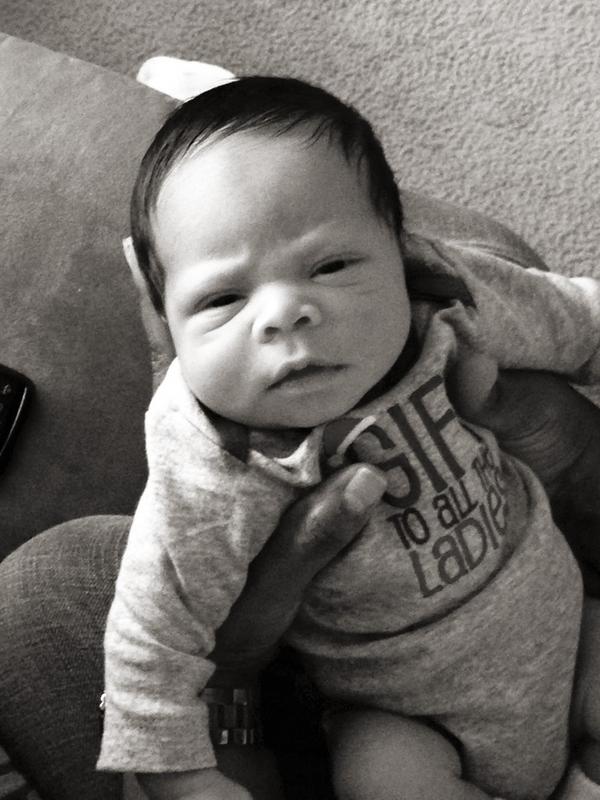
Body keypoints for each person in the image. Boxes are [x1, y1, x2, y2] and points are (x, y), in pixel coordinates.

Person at [94, 73, 600, 800]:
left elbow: (567, 316)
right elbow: (152, 629)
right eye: (222, 298)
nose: (284, 313)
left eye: (331, 265)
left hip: (572, 625)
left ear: (402, 250)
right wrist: (183, 773)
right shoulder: (214, 456)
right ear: (165, 321)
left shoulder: (439, 297)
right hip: (414, 717)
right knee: (376, 772)